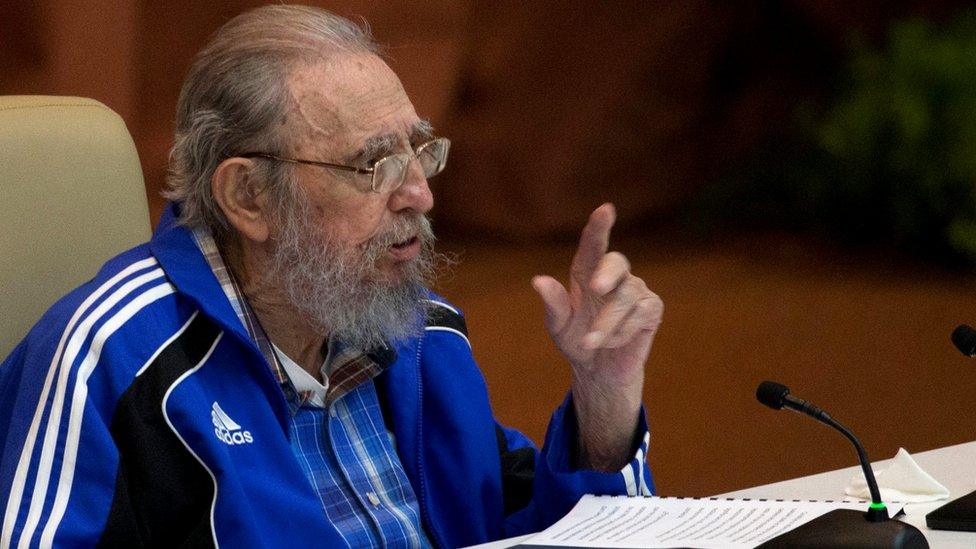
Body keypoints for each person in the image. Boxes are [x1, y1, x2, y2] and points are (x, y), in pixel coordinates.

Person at [0, 5, 663, 547]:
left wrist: (603, 406)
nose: (420, 195)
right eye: (373, 164)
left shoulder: (423, 335)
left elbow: (535, 531)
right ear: (249, 197)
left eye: (419, 152)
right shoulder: (111, 361)